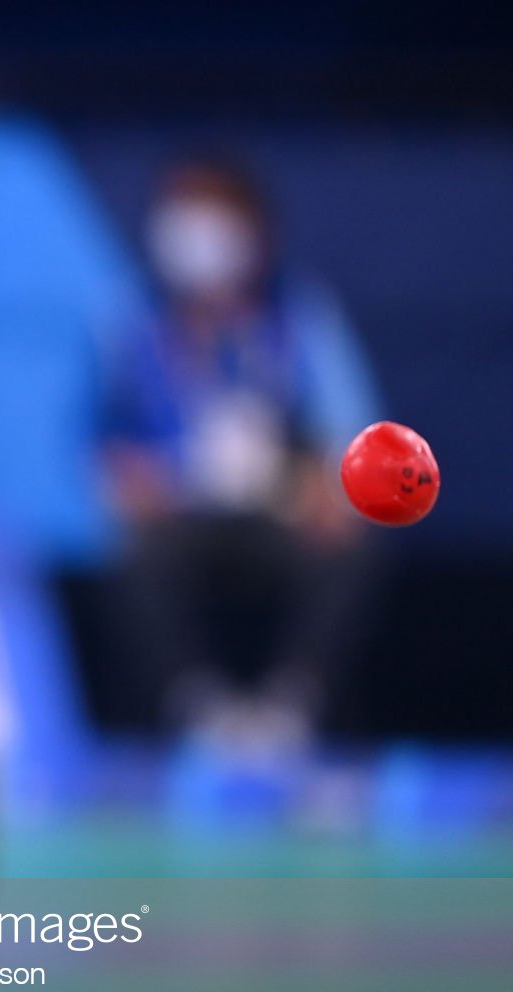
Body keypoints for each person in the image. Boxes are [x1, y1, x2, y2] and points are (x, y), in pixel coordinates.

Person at [99, 157, 379, 752]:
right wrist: (135, 479)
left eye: (212, 219)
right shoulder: (134, 327)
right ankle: (195, 710)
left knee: (350, 549)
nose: (194, 240)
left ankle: (292, 708)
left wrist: (315, 482)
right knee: (137, 553)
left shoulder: (300, 319)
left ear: (251, 233)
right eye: (182, 219)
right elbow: (101, 445)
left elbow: (350, 435)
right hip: (182, 513)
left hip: (274, 510)